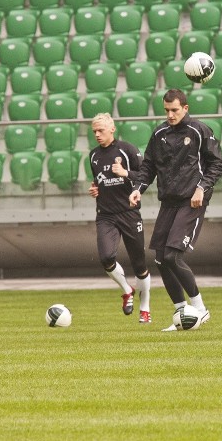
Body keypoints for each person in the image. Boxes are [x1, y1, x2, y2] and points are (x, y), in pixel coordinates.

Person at [126, 88, 222, 331]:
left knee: (172, 255)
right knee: (160, 259)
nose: (170, 115)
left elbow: (217, 163)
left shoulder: (200, 130)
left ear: (185, 108)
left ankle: (200, 308)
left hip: (192, 200)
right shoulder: (159, 133)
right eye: (167, 110)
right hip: (168, 201)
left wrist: (201, 188)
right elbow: (148, 166)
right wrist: (138, 187)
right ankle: (182, 312)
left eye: (175, 110)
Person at [87, 113, 152, 323]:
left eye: (101, 131)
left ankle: (145, 308)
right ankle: (127, 290)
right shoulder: (93, 155)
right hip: (105, 215)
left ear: (112, 129)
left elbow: (144, 176)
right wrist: (94, 189)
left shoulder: (127, 150)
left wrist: (125, 173)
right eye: (94, 131)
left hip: (129, 213)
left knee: (140, 265)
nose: (97, 135)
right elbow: (98, 181)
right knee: (106, 258)